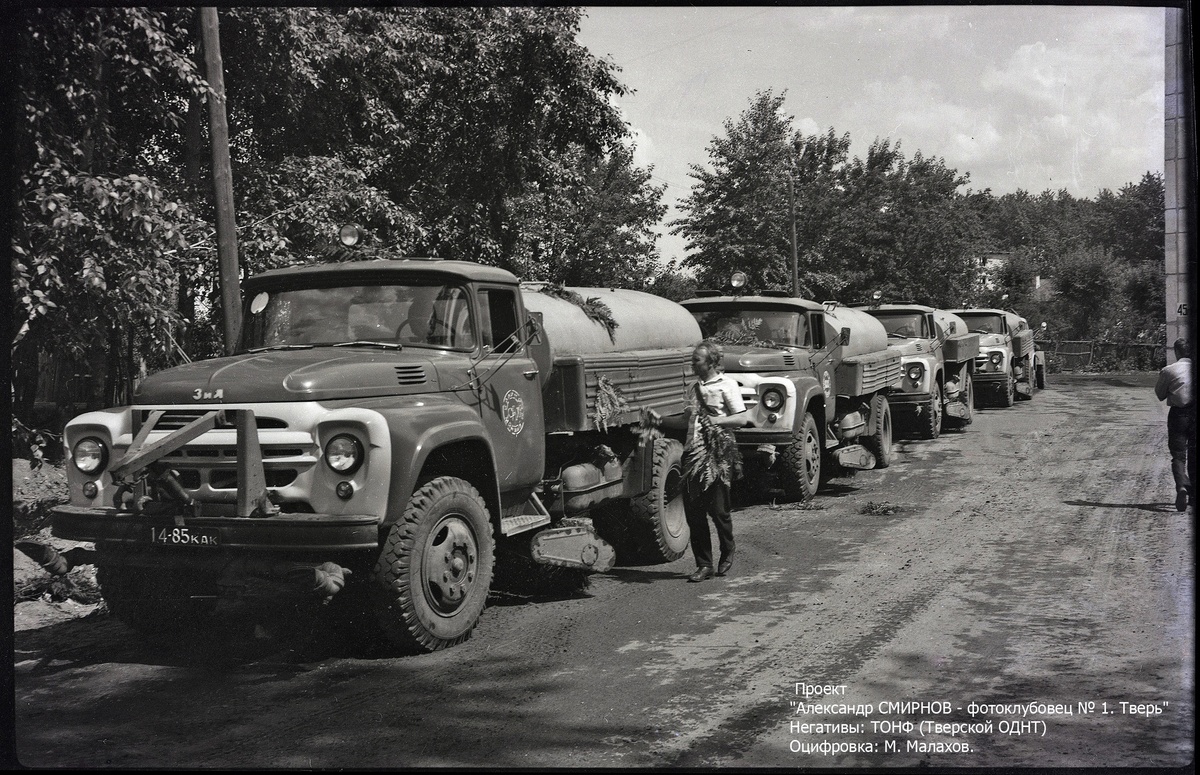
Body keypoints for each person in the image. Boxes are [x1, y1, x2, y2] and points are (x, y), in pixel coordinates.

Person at [660, 340, 751, 582]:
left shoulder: (727, 385)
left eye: (696, 359)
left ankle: (728, 548)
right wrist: (658, 420)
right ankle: (704, 564)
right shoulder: (692, 388)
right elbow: (685, 422)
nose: (692, 363)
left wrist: (716, 422)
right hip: (693, 454)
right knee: (694, 513)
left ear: (710, 362)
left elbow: (742, 419)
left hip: (716, 454)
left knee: (719, 511)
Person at [1154, 338, 1194, 511]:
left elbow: (1160, 394)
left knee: (1178, 454)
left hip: (1178, 415)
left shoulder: (1169, 370)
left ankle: (1181, 486)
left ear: (1176, 352)